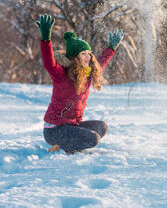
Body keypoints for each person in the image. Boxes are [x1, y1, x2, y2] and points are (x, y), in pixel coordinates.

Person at [36, 14, 124, 154]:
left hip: (71, 125)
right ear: (75, 57)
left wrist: (111, 48)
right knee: (93, 139)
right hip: (54, 130)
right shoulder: (61, 74)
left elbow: (100, 64)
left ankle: (69, 146)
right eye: (83, 53)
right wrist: (46, 39)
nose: (88, 56)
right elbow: (49, 63)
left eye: (89, 53)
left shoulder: (87, 73)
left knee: (102, 127)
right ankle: (62, 148)